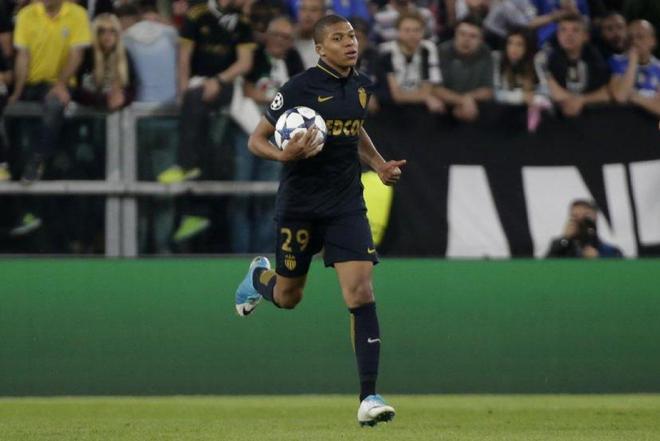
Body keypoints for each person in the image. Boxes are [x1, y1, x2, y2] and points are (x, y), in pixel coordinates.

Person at [234, 14, 405, 426]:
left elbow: (354, 130)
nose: (350, 43)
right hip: (300, 207)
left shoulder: (361, 86)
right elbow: (256, 140)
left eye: (352, 36)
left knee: (360, 292)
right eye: (338, 38)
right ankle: (258, 277)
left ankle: (368, 397)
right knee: (288, 297)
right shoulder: (298, 88)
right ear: (319, 48)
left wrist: (378, 164)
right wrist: (284, 155)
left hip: (346, 205)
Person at [157, 0, 255, 242]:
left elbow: (245, 62)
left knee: (208, 140)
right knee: (206, 145)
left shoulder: (242, 23)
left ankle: (185, 165)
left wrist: (218, 81)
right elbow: (184, 59)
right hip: (197, 86)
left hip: (228, 86)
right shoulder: (197, 16)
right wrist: (183, 95)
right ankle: (195, 211)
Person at [233, 15, 304, 253]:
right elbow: (247, 91)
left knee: (271, 194)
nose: (280, 41)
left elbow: (301, 94)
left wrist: (271, 101)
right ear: (267, 36)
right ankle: (240, 252)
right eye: (276, 35)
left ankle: (263, 252)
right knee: (242, 193)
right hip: (247, 131)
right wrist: (278, 100)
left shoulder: (293, 60)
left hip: (279, 135)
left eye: (286, 37)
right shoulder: (254, 55)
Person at [9, 0, 91, 182]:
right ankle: (12, 166)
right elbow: (23, 56)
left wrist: (60, 84)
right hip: (32, 83)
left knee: (54, 104)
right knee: (13, 115)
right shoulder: (26, 15)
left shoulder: (78, 15)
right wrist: (17, 92)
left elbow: (77, 54)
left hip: (62, 83)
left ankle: (37, 160)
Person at [544, 14, 611, 117]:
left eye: (575, 30)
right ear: (557, 35)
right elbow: (553, 92)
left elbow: (606, 94)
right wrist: (575, 101)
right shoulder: (549, 59)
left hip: (593, 118)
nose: (569, 35)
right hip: (558, 119)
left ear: (585, 36)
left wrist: (582, 100)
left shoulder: (596, 58)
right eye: (563, 30)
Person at [377, 11, 444, 112]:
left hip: (420, 106)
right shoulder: (386, 51)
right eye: (407, 30)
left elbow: (428, 87)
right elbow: (397, 96)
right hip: (391, 107)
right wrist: (426, 97)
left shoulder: (428, 48)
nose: (412, 35)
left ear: (423, 31)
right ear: (398, 31)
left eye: (417, 30)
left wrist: (425, 96)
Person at [435, 17, 494, 121]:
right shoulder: (442, 51)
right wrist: (462, 101)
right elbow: (435, 89)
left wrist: (468, 98)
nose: (466, 40)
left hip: (474, 107)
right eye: (462, 34)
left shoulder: (485, 53)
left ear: (481, 40)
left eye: (473, 36)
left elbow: (488, 90)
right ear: (455, 35)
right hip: (445, 108)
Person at [493, 28, 552, 131]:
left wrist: (535, 100)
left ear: (527, 47)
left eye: (519, 44)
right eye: (510, 43)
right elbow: (496, 94)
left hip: (528, 110)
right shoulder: (498, 60)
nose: (513, 48)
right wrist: (522, 96)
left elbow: (545, 93)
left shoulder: (535, 62)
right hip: (506, 110)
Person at [75, 13, 135, 110]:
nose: (107, 36)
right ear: (95, 34)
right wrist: (104, 100)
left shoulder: (125, 55)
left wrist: (123, 98)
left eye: (112, 31)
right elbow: (76, 90)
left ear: (118, 34)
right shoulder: (86, 55)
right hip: (87, 111)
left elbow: (133, 88)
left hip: (117, 112)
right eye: (102, 31)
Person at [609, 20, 660, 116]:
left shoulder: (658, 68)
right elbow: (620, 96)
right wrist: (632, 62)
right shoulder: (616, 61)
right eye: (630, 38)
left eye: (640, 37)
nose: (634, 41)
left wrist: (633, 96)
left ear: (653, 41)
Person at [546, 199, 623, 258]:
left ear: (595, 218)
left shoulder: (611, 251)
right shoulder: (560, 247)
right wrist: (565, 239)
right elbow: (546, 267)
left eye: (586, 217)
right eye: (575, 216)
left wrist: (599, 260)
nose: (580, 222)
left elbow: (620, 271)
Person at [294, 0, 326, 69]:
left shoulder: (329, 47)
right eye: (303, 9)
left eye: (313, 10)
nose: (307, 14)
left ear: (323, 14)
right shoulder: (287, 40)